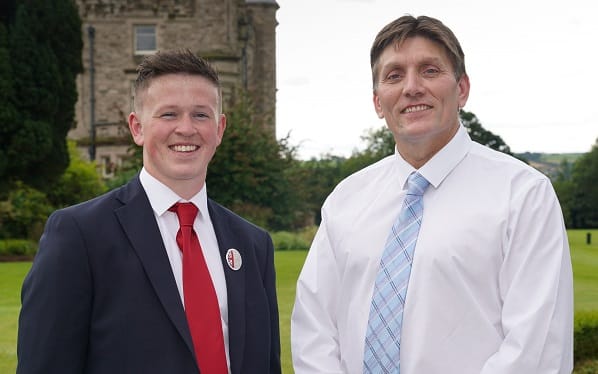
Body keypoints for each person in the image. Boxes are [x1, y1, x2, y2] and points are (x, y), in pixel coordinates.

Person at [291, 15, 573, 373]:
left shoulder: (523, 194)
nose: (411, 87)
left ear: (462, 89)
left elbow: (536, 348)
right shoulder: (346, 200)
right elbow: (314, 331)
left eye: (429, 70)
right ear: (379, 102)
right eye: (394, 75)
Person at [17, 49, 281, 374]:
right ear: (137, 127)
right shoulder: (79, 235)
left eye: (201, 115)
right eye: (168, 114)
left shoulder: (253, 245)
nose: (186, 128)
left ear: (220, 128)